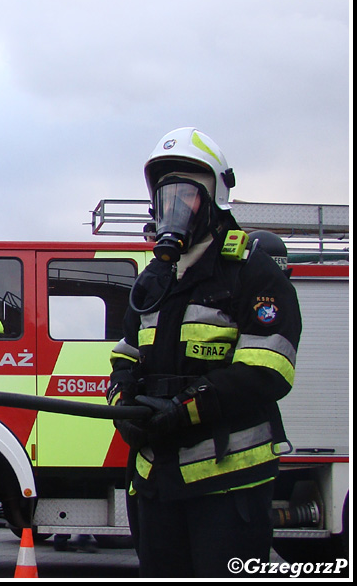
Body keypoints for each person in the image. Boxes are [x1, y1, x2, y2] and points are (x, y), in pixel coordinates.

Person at [106, 127, 301, 577]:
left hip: (228, 489)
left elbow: (268, 368)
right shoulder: (152, 281)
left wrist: (184, 410)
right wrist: (124, 410)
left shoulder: (250, 273)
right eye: (165, 195)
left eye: (187, 194)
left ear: (215, 199)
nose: (174, 207)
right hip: (156, 484)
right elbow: (124, 358)